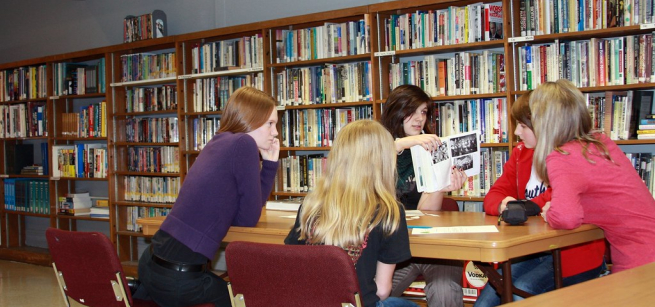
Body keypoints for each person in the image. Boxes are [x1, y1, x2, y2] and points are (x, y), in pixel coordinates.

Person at [134, 86, 280, 307]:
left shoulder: (219, 140)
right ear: (251, 119)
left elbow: (240, 217)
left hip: (150, 266)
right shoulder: (244, 144)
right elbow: (248, 220)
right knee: (248, 300)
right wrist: (269, 165)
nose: (275, 132)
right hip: (178, 281)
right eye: (270, 123)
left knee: (231, 288)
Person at [474, 91, 606, 306]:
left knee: (521, 293)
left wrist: (520, 207)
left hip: (573, 253)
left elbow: (555, 199)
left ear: (543, 125)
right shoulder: (520, 153)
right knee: (486, 301)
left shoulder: (571, 156)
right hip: (531, 250)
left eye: (523, 126)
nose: (517, 132)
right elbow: (492, 196)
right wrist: (503, 204)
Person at [285, 119, 419, 307]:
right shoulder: (390, 212)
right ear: (384, 161)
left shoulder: (311, 205)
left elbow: (293, 264)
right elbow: (381, 290)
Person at [530, 79, 655, 273]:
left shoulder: (562, 157)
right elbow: (606, 201)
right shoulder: (602, 143)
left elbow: (567, 218)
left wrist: (552, 213)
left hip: (641, 263)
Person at [379, 84, 467, 307]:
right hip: (393, 249)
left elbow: (426, 214)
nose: (419, 118)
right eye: (412, 111)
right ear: (396, 111)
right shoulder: (377, 148)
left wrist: (440, 185)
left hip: (431, 248)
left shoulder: (431, 148)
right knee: (374, 293)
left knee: (444, 290)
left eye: (423, 111)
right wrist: (401, 144)